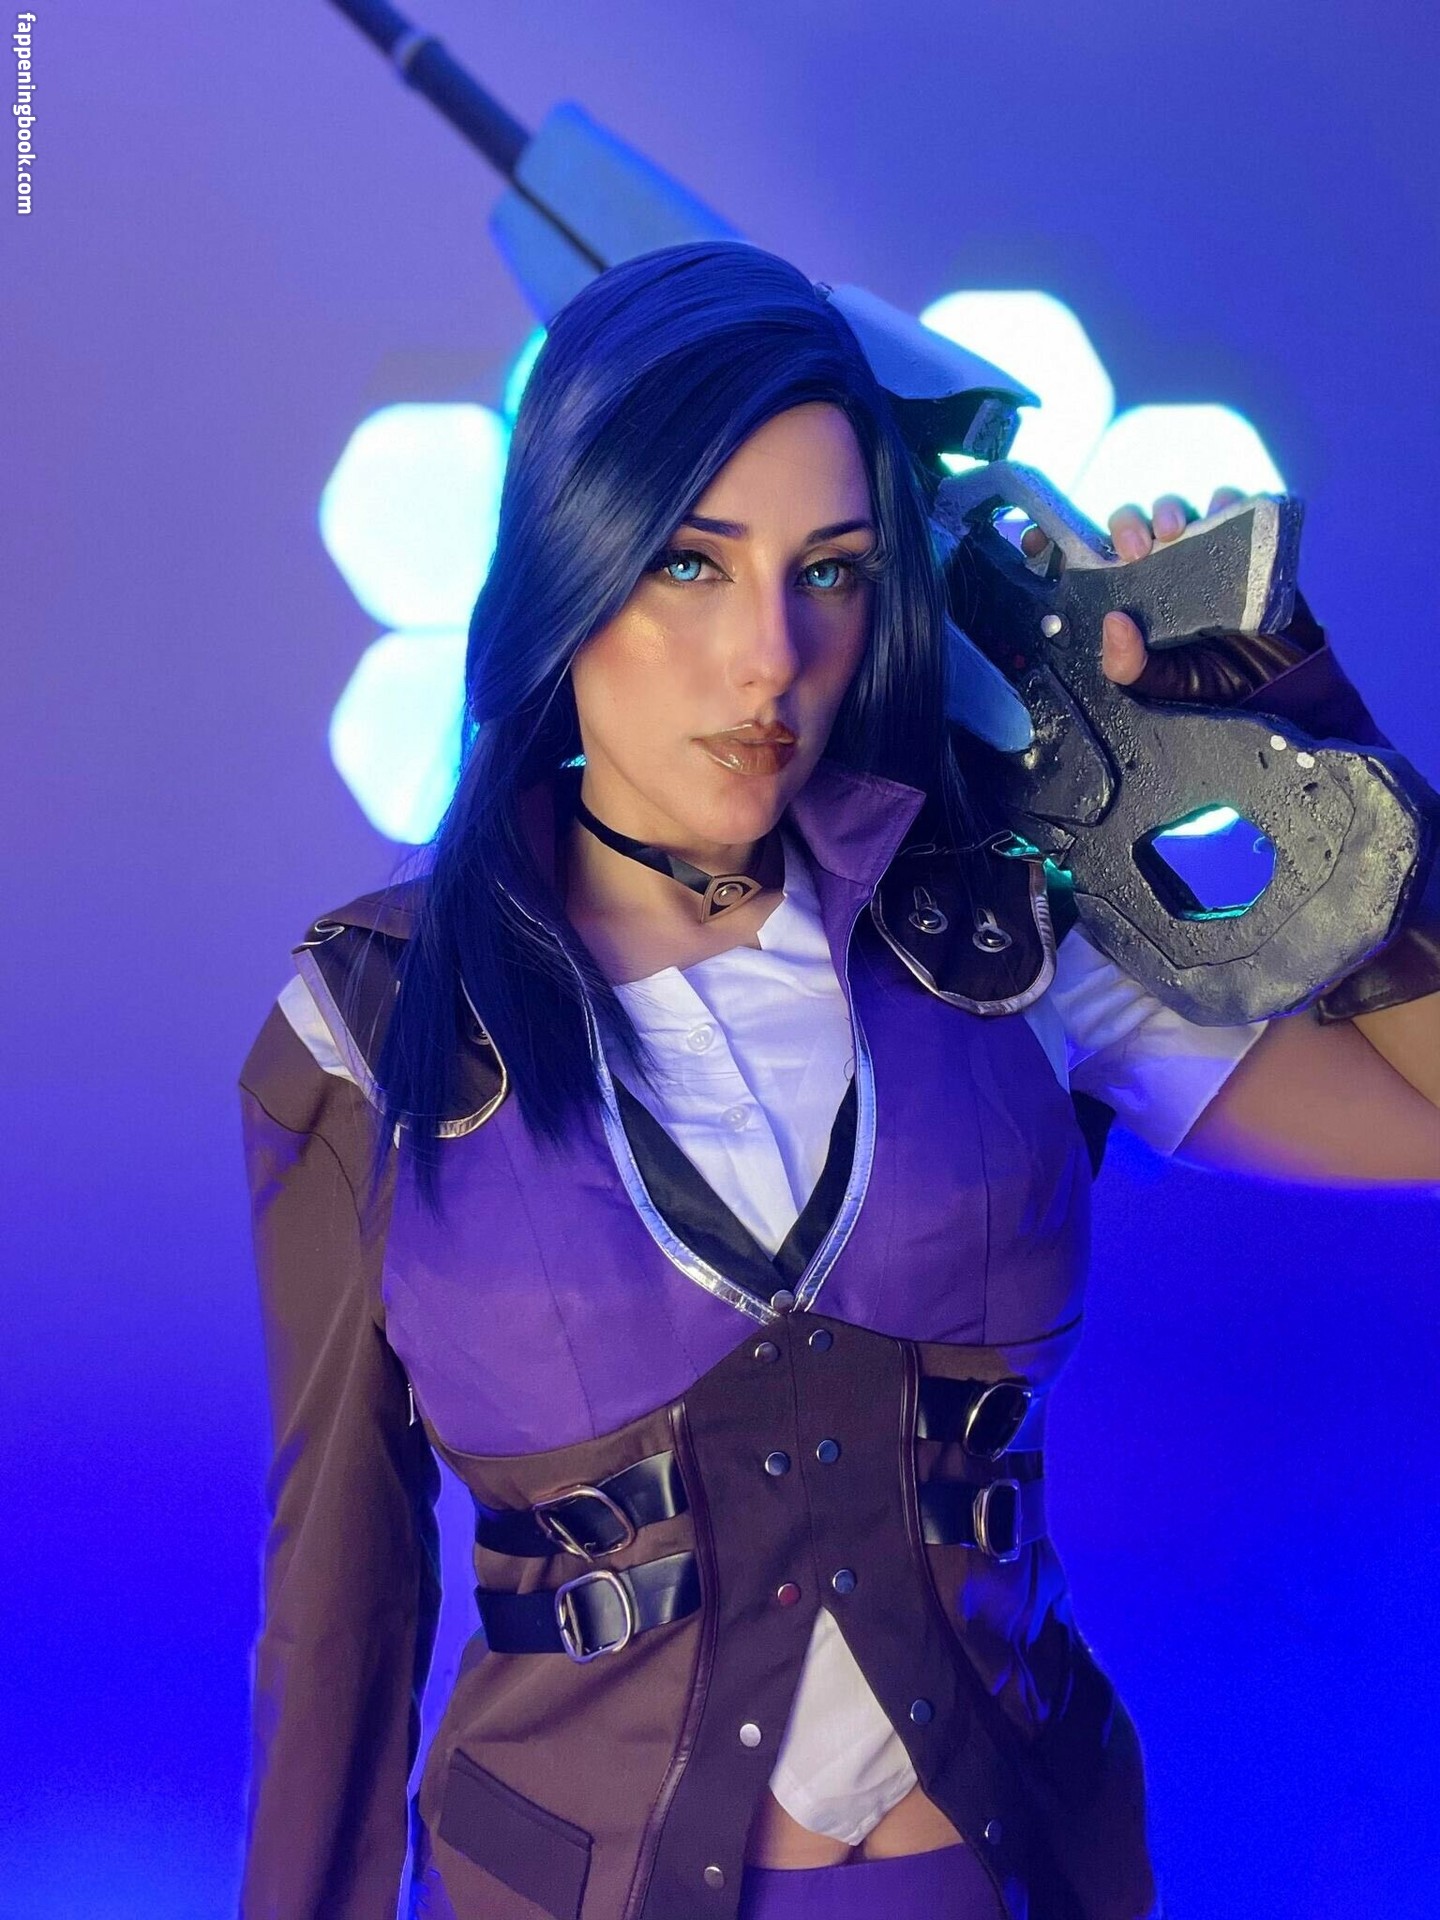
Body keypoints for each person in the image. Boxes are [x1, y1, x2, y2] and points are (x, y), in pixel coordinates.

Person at [237, 241, 1440, 1920]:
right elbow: (343, 1599)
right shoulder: (373, 1026)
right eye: (690, 562)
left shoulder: (999, 940)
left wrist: (1319, 750)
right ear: (568, 565)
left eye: (832, 571)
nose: (768, 658)